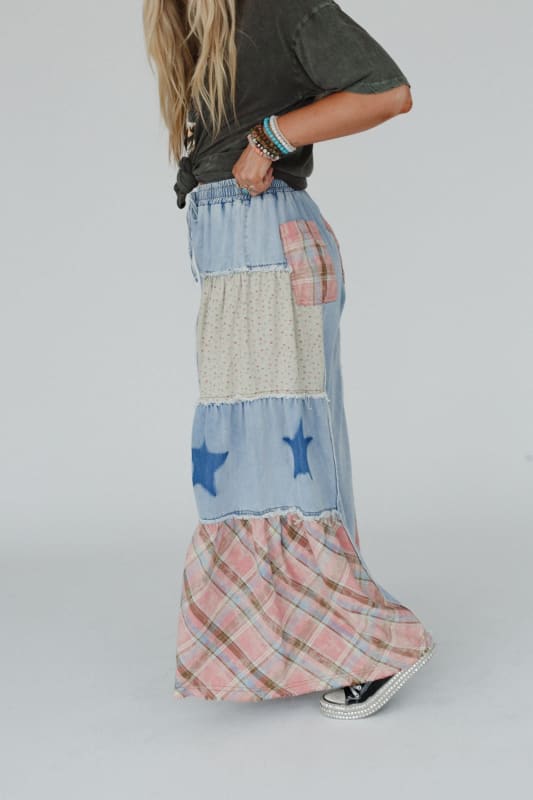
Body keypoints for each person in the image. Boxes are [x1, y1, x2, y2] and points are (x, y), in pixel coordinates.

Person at [143, 0, 437, 720]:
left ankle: (372, 644)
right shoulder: (193, 24)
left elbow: (387, 90)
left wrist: (270, 137)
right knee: (251, 452)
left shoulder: (275, 4)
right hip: (237, 246)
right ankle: (297, 639)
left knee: (284, 452)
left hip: (266, 242)